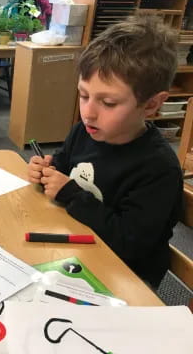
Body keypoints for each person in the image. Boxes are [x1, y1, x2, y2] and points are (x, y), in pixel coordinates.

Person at [27, 15, 183, 288]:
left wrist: (72, 194)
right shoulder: (83, 132)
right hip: (79, 247)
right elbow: (62, 168)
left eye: (108, 103)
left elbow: (130, 244)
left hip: (127, 275)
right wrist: (46, 171)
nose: (88, 112)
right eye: (84, 95)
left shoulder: (158, 168)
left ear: (150, 105)